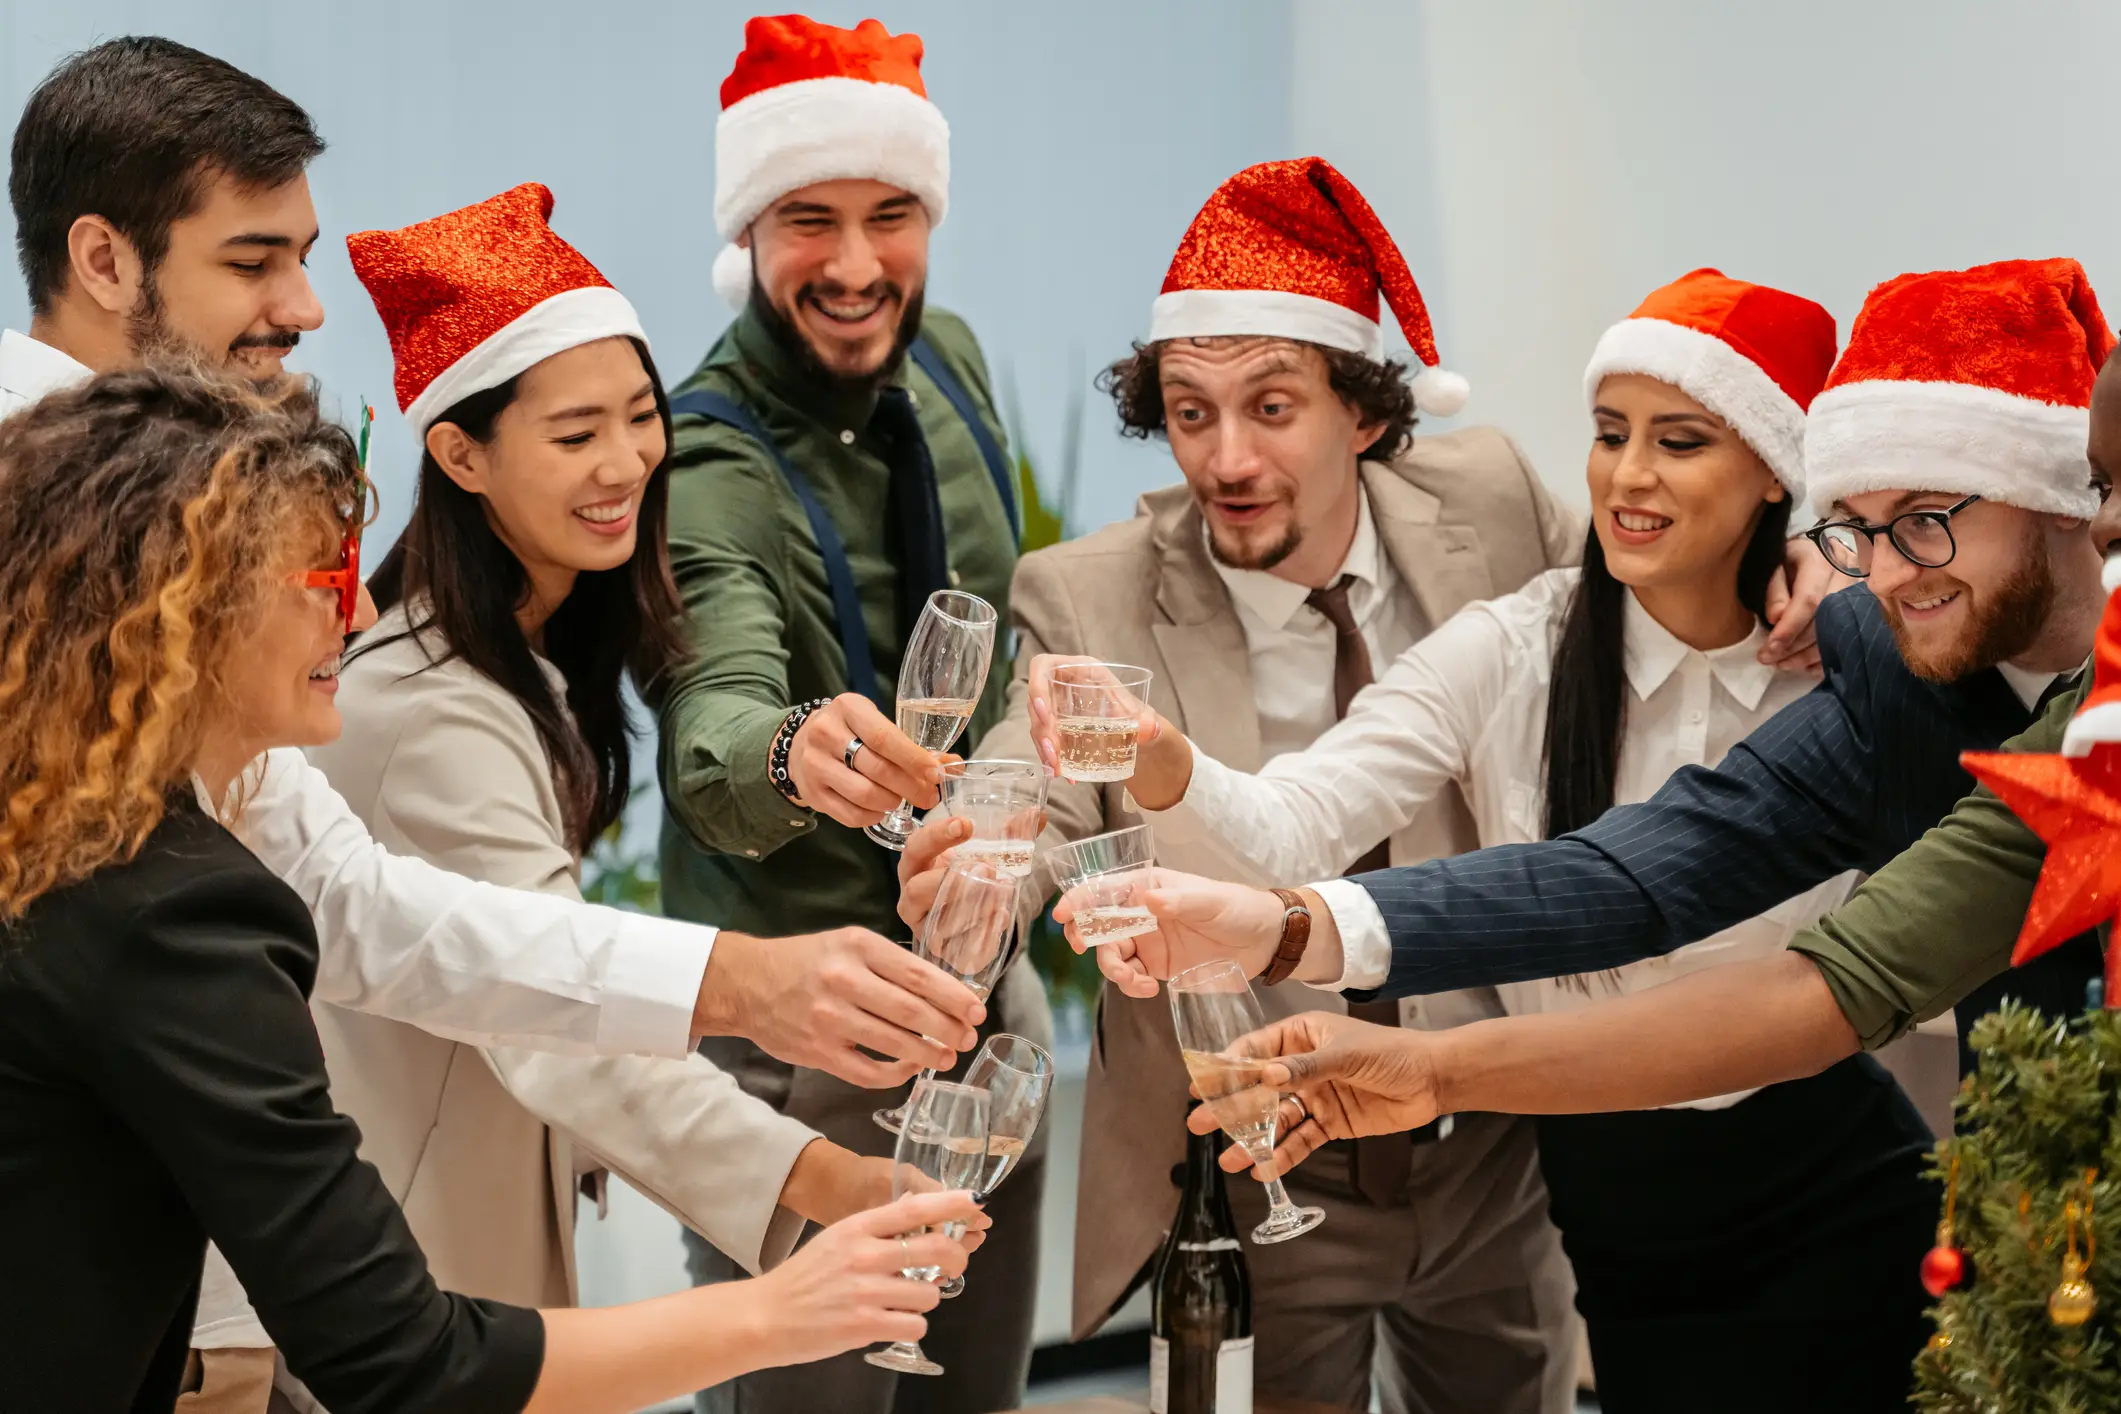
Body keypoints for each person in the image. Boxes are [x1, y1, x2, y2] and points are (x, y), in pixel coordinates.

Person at [0, 361, 981, 1414]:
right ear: (185, 616)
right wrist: (787, 1308)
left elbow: (377, 911)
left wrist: (748, 995)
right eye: (325, 580)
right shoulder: (176, 908)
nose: (362, 603)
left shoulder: (90, 833)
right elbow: (402, 1355)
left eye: (642, 417)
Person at [1034, 268, 1935, 1409]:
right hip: (1614, 1208)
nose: (1629, 475)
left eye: (1682, 440)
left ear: (1771, 472)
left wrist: (1846, 581)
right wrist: (1167, 761)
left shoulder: (1845, 663)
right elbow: (1299, 815)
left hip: (1831, 1178)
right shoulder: (1511, 650)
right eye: (1611, 434)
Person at [195, 183, 914, 1412]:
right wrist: (825, 1177)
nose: (626, 460)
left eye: (641, 418)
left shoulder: (518, 652)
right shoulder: (429, 707)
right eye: (574, 434)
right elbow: (559, 1033)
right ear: (459, 452)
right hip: (396, 1279)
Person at [904, 156, 1584, 1412]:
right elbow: (1034, 768)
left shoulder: (1490, 504)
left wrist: (1803, 574)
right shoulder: (1095, 592)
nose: (1226, 457)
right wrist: (981, 839)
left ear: (1365, 411)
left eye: (1272, 407)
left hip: (1489, 1125)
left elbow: (1658, 603)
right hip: (1265, 1143)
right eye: (1189, 409)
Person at [1069, 259, 2111, 1073]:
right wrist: (1289, 926)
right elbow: (1639, 872)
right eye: (1859, 532)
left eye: (1923, 523)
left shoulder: (1845, 641)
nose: (1885, 574)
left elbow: (1841, 985)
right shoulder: (1880, 664)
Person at [652, 17, 1045, 1413]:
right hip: (803, 1030)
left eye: (892, 216)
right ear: (750, 228)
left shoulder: (954, 364)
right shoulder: (704, 453)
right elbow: (717, 714)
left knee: (972, 1396)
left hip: (979, 998)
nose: (859, 265)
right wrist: (788, 749)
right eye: (808, 221)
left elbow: (1014, 649)